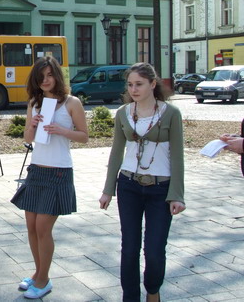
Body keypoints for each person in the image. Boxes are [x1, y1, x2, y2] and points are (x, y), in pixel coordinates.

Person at [99, 62, 185, 302]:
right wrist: (108, 190)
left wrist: (177, 194)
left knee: (155, 251)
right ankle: (130, 298)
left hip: (161, 189)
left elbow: (178, 155)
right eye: (130, 85)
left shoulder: (170, 113)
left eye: (139, 84)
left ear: (153, 84)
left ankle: (153, 291)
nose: (133, 89)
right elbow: (116, 152)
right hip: (129, 186)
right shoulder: (123, 113)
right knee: (129, 249)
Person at [11, 56, 88, 299]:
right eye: (41, 77)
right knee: (31, 227)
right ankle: (37, 273)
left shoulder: (71, 102)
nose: (45, 80)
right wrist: (33, 125)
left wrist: (62, 130)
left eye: (50, 75)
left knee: (44, 228)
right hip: (36, 169)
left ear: (57, 76)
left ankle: (44, 280)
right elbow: (27, 139)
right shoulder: (35, 102)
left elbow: (84, 136)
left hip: (58, 170)